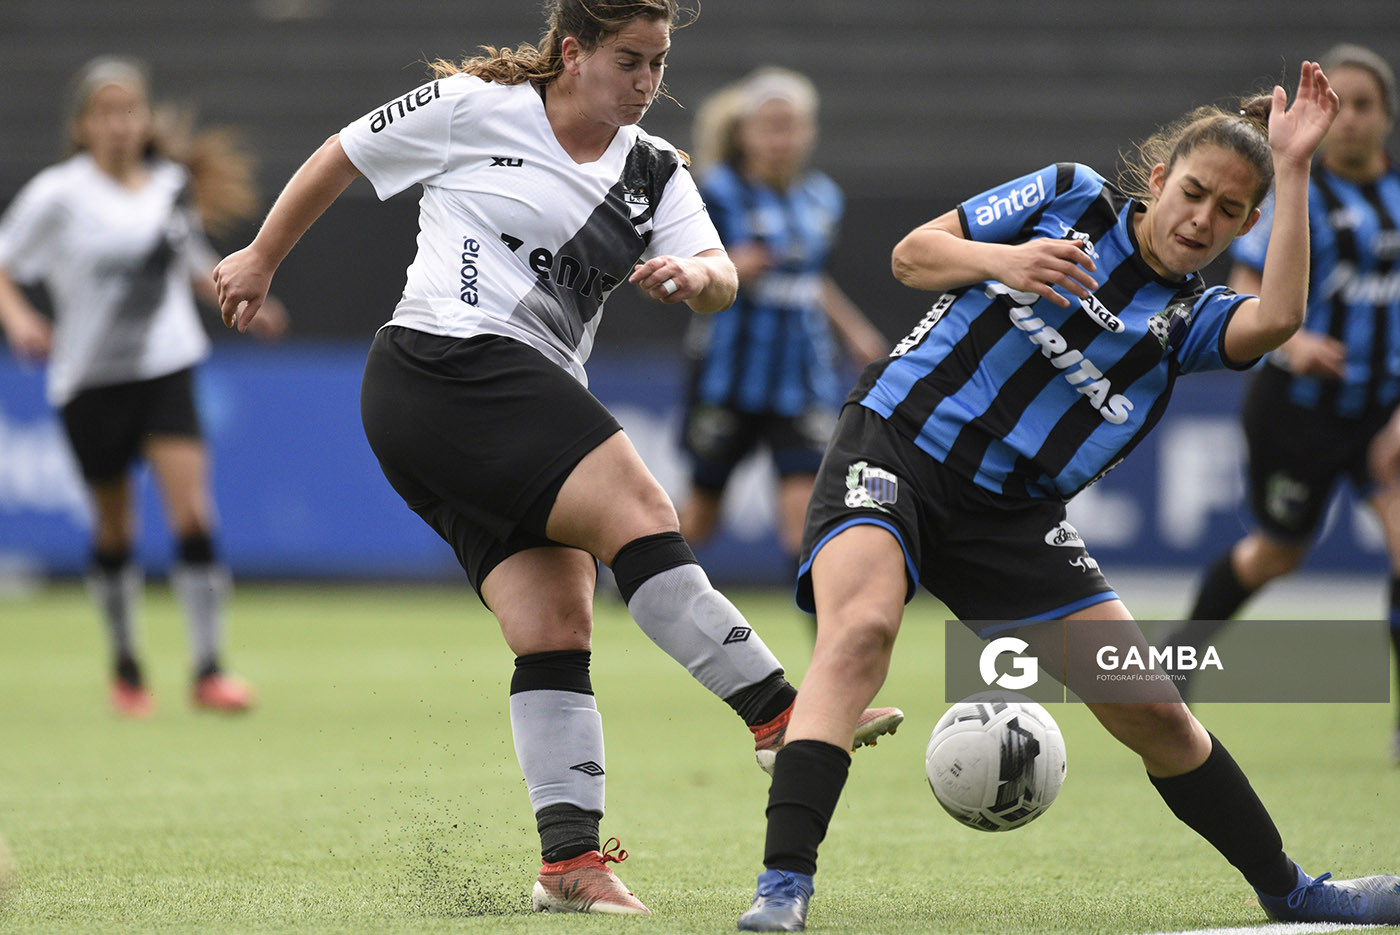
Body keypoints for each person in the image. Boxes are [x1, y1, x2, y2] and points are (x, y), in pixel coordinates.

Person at [209, 0, 901, 917]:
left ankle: (570, 859)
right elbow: (342, 152)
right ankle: (780, 711)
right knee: (643, 511)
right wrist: (261, 255)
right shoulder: (469, 107)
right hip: (442, 361)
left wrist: (697, 278)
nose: (648, 83)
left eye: (658, 64)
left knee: (556, 619)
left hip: (480, 403)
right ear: (571, 54)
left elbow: (721, 273)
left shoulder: (655, 172)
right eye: (629, 60)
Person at [737, 63, 1400, 932]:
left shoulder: (1190, 320)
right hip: (899, 441)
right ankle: (782, 891)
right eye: (1193, 192)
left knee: (1156, 710)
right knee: (859, 630)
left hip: (1011, 515)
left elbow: (1276, 319)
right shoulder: (1068, 196)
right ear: (1159, 179)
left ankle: (1293, 891)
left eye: (1230, 210)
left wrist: (1296, 168)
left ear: (1248, 220)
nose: (1203, 220)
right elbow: (912, 255)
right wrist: (1004, 260)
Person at [0, 56, 285, 718]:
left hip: (165, 364)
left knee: (193, 516)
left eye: (129, 110)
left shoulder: (168, 186)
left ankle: (209, 668)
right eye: (105, 112)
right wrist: (19, 319)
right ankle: (127, 666)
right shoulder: (58, 193)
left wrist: (241, 295)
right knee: (115, 528)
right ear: (82, 125)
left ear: (145, 118)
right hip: (89, 378)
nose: (120, 124)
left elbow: (189, 261)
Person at [1163, 45, 1400, 758]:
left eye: (1366, 105)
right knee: (1275, 555)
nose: (1352, 119)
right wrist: (1293, 346)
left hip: (1382, 411)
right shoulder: (1301, 198)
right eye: (1343, 104)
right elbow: (1244, 290)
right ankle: (1177, 664)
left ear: (1386, 117)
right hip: (1296, 412)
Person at [676, 68, 886, 580]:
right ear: (744, 131)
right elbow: (683, 259)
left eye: (791, 126)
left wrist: (857, 334)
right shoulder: (717, 191)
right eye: (770, 125)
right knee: (701, 515)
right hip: (728, 374)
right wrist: (724, 266)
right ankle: (628, 588)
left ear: (809, 133)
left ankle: (829, 648)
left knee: (804, 517)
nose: (781, 138)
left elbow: (813, 282)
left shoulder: (822, 199)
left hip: (801, 378)